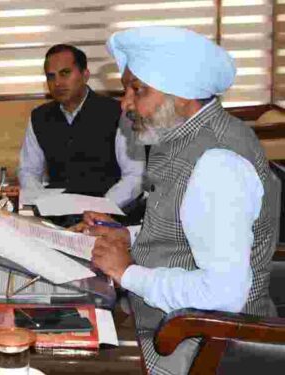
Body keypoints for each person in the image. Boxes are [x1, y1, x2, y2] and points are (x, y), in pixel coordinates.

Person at [72, 26, 281, 374]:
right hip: (163, 318)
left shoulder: (217, 163)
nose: (125, 104)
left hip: (202, 345)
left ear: (181, 94)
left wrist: (126, 272)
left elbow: (222, 296)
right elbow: (188, 226)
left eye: (137, 91)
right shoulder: (184, 135)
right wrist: (128, 235)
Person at [18, 44, 145, 208]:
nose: (57, 83)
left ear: (85, 75)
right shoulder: (39, 117)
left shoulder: (118, 113)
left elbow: (135, 175)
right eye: (51, 76)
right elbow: (28, 171)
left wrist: (101, 207)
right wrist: (42, 202)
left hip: (109, 212)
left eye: (65, 73)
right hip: (56, 212)